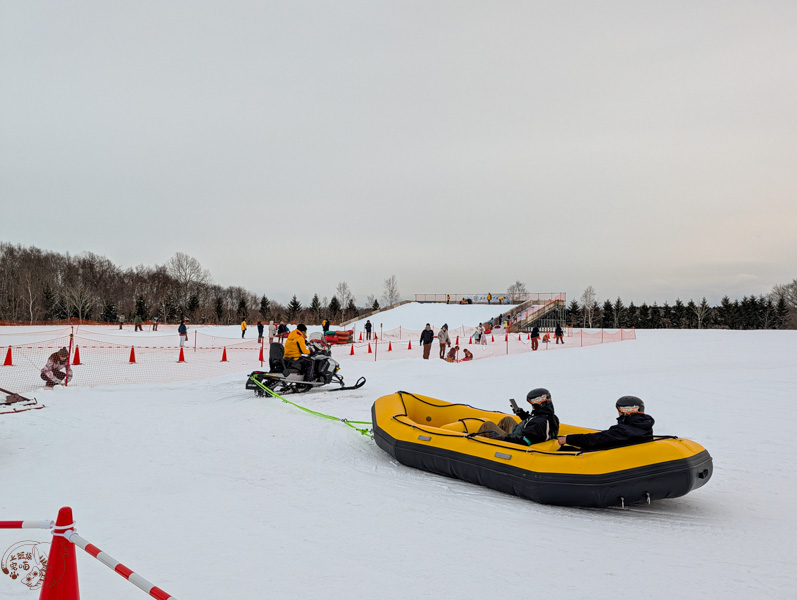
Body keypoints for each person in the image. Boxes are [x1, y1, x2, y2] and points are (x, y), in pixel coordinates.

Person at [557, 396, 654, 450]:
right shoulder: (643, 426)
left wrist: (568, 439)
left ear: (626, 411)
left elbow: (597, 439)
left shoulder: (625, 431)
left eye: (619, 411)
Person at [475, 388, 559, 446]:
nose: (532, 406)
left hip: (514, 440)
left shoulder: (539, 424)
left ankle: (475, 444)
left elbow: (524, 442)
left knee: (488, 425)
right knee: (507, 420)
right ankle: (491, 440)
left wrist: (502, 438)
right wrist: (522, 414)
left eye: (532, 403)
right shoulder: (550, 417)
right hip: (520, 434)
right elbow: (534, 422)